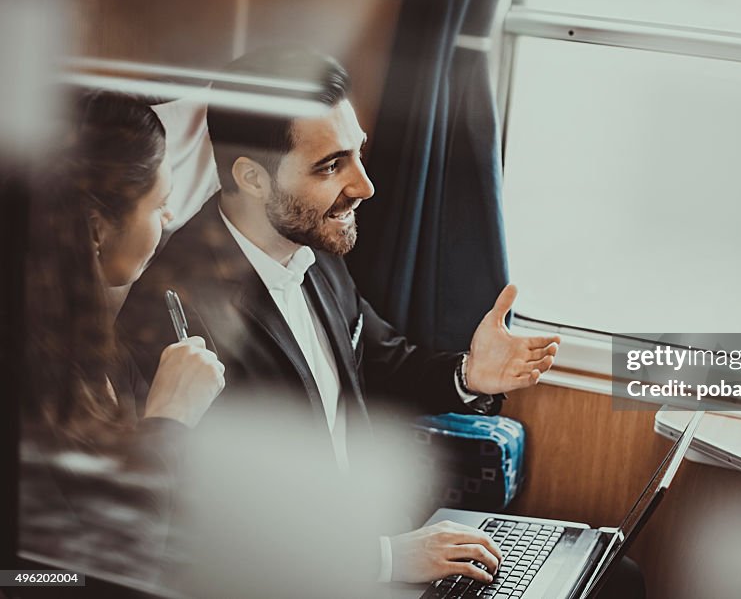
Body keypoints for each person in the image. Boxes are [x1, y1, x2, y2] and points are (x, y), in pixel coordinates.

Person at [116, 48, 562, 586]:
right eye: (331, 165)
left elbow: (380, 360)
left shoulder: (315, 250)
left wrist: (469, 373)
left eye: (356, 154)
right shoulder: (171, 314)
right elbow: (210, 523)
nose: (364, 186)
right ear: (254, 179)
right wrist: (387, 560)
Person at [20, 91, 226, 578]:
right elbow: (62, 579)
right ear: (96, 229)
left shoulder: (106, 350)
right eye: (160, 205)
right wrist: (169, 421)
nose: (170, 220)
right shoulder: (25, 383)